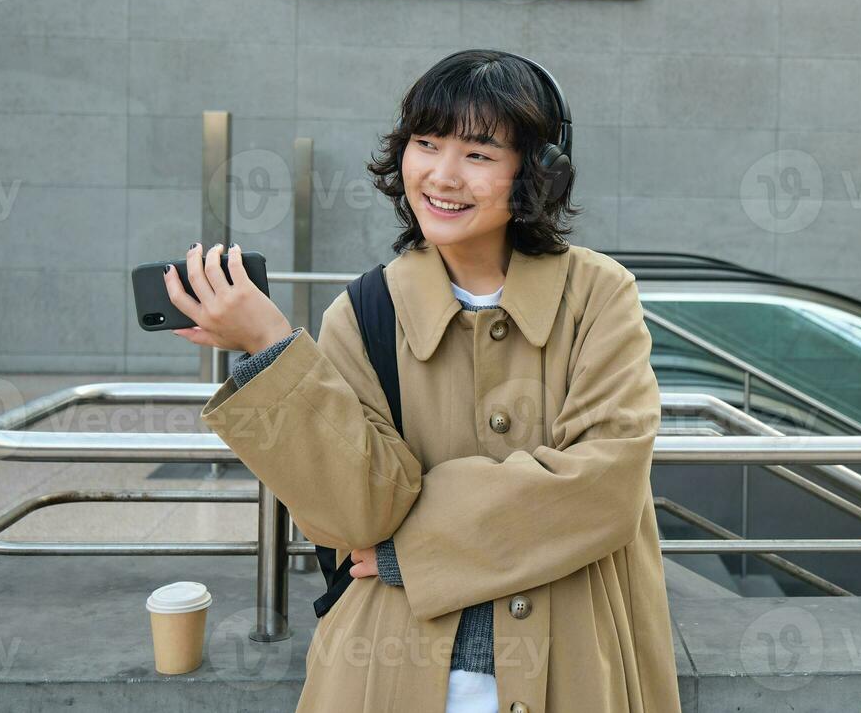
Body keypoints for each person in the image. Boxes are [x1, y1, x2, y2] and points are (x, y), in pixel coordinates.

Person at [163, 49, 683, 713]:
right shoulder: (364, 312)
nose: (441, 174)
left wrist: (403, 545)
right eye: (426, 143)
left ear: (539, 172)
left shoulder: (597, 296)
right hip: (388, 674)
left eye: (478, 154)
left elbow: (605, 487)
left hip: (574, 670)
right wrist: (269, 346)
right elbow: (354, 515)